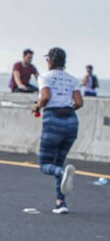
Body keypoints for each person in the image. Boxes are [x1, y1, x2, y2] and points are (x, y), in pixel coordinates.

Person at [31, 47, 83, 214]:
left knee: (46, 164)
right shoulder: (72, 79)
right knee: (60, 161)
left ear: (50, 61)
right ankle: (61, 203)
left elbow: (45, 97)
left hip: (53, 120)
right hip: (71, 122)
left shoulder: (45, 77)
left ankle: (61, 173)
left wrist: (37, 106)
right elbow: (79, 102)